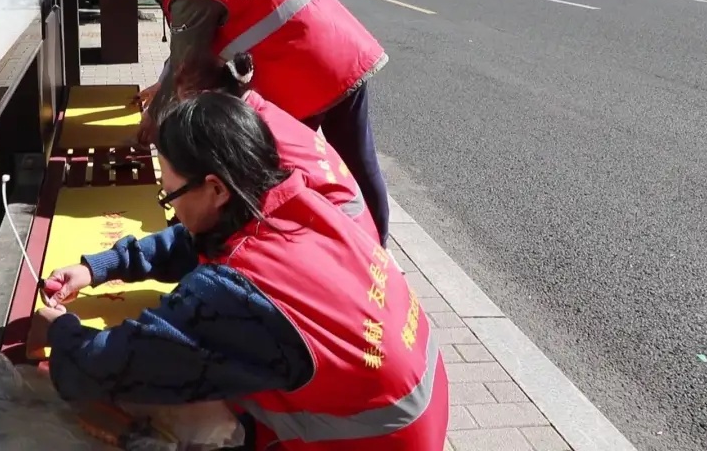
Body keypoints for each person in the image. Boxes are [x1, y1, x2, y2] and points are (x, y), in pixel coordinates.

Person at [29, 93, 448, 450]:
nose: (170, 209)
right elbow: (198, 240)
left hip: (374, 439)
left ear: (216, 188)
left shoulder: (235, 296)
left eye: (169, 195)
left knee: (162, 402)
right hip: (416, 403)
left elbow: (103, 367)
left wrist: (59, 330)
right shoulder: (297, 201)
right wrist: (100, 268)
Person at [118, 0, 392, 242]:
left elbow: (187, 73)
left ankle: (277, 251)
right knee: (360, 165)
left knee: (265, 170)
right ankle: (378, 255)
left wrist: (162, 128)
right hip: (345, 49)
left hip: (300, 77)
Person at [177, 50, 382, 244]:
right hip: (354, 226)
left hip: (343, 237)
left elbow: (238, 207)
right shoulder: (258, 111)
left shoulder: (245, 137)